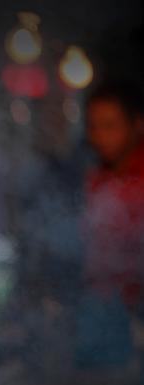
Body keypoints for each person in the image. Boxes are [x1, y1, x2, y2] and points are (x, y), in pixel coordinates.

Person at [84, 81, 144, 311]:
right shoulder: (96, 180)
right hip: (103, 310)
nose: (99, 136)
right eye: (93, 126)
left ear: (138, 124)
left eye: (110, 126)